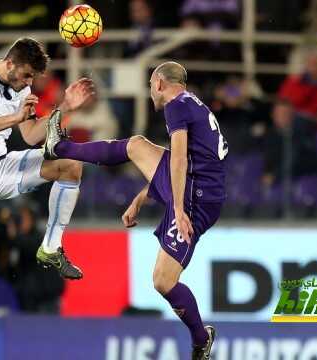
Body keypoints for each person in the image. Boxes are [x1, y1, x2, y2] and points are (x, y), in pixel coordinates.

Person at [43, 62, 220, 360]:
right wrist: (142, 197)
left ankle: (201, 338)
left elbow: (178, 161)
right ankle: (60, 147)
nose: (150, 90)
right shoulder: (193, 104)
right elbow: (183, 163)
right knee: (136, 145)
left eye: (150, 84)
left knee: (163, 281)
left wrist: (177, 208)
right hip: (198, 186)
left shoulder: (176, 107)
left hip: (196, 199)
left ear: (160, 83)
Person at [0, 38, 95, 307]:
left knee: (70, 164)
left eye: (32, 78)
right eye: (26, 75)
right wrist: (16, 118)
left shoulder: (22, 87)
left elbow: (32, 134)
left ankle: (50, 247)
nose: (28, 82)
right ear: (10, 63)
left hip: (1, 165)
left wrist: (65, 107)